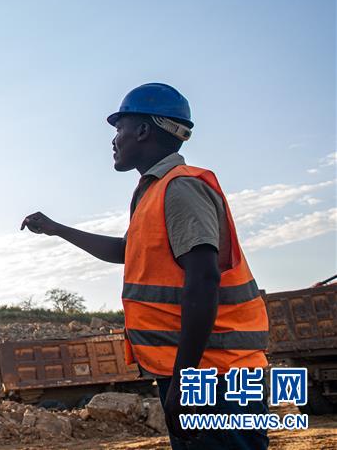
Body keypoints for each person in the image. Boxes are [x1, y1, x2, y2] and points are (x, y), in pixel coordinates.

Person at [21, 83, 269, 449]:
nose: (114, 139)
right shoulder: (153, 191)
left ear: (142, 131)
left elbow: (203, 279)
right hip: (201, 369)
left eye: (119, 128)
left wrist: (186, 380)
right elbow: (127, 250)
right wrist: (58, 229)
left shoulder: (180, 188)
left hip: (215, 373)